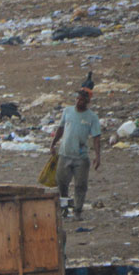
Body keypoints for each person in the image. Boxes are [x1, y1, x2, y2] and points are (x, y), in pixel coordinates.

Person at [50, 87, 101, 220]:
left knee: (80, 185)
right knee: (62, 183)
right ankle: (64, 209)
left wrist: (97, 156)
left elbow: (96, 137)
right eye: (77, 99)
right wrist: (53, 143)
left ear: (87, 102)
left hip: (81, 157)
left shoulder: (92, 117)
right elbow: (60, 129)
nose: (78, 102)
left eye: (82, 100)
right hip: (65, 153)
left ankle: (77, 210)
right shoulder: (67, 111)